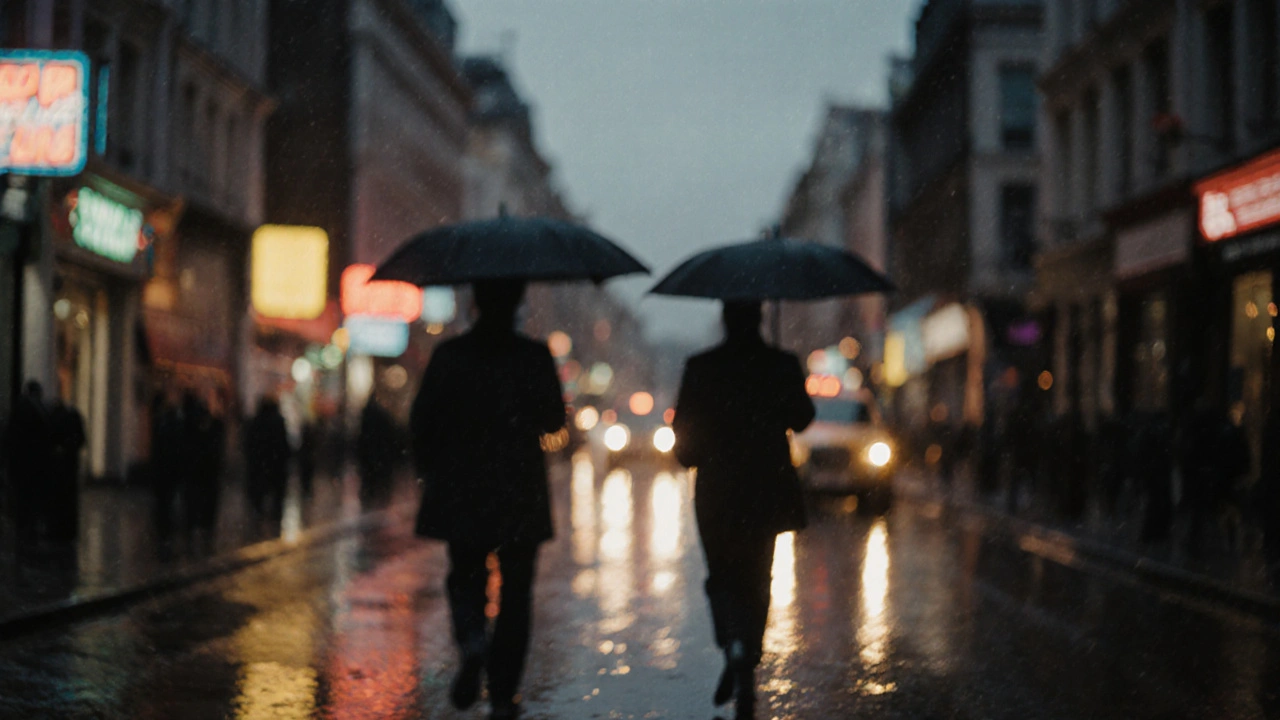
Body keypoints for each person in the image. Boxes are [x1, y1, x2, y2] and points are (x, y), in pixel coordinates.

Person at [410, 279, 565, 720]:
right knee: (517, 595)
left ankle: (473, 641)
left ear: (475, 302)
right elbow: (554, 419)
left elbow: (422, 422)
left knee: (465, 575)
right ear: (518, 304)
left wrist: (434, 471)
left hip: (463, 488)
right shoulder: (534, 356)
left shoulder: (450, 356)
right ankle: (502, 693)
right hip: (518, 492)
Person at [671, 301, 815, 720]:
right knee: (757, 575)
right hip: (766, 488)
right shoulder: (781, 363)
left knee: (722, 574)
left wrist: (699, 451)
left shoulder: (702, 366)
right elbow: (803, 417)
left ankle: (732, 644)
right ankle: (747, 652)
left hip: (717, 490)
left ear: (725, 320)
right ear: (760, 320)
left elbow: (684, 434)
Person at [6, 381, 53, 548]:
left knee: (25, 497)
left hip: (26, 463)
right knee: (29, 497)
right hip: (31, 463)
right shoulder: (35, 409)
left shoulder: (22, 408)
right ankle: (28, 528)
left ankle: (25, 528)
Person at [184, 390, 225, 553]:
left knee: (197, 503)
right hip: (206, 474)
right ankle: (203, 531)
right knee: (204, 503)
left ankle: (196, 530)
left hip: (200, 474)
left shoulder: (192, 427)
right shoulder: (213, 427)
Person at [245, 396, 290, 534]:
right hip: (275, 465)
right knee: (276, 496)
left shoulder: (255, 421)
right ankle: (274, 521)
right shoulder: (278, 421)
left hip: (260, 465)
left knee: (260, 495)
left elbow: (249, 444)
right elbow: (283, 445)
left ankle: (258, 520)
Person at [150, 389, 188, 555]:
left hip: (164, 472)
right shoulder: (177, 425)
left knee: (163, 505)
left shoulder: (161, 423)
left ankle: (164, 535)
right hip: (172, 472)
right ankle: (167, 536)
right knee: (169, 504)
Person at [48, 395, 87, 542]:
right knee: (67, 500)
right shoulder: (71, 416)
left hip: (60, 467)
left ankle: (59, 530)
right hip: (67, 466)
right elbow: (81, 439)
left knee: (60, 499)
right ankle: (66, 530)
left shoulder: (53, 416)